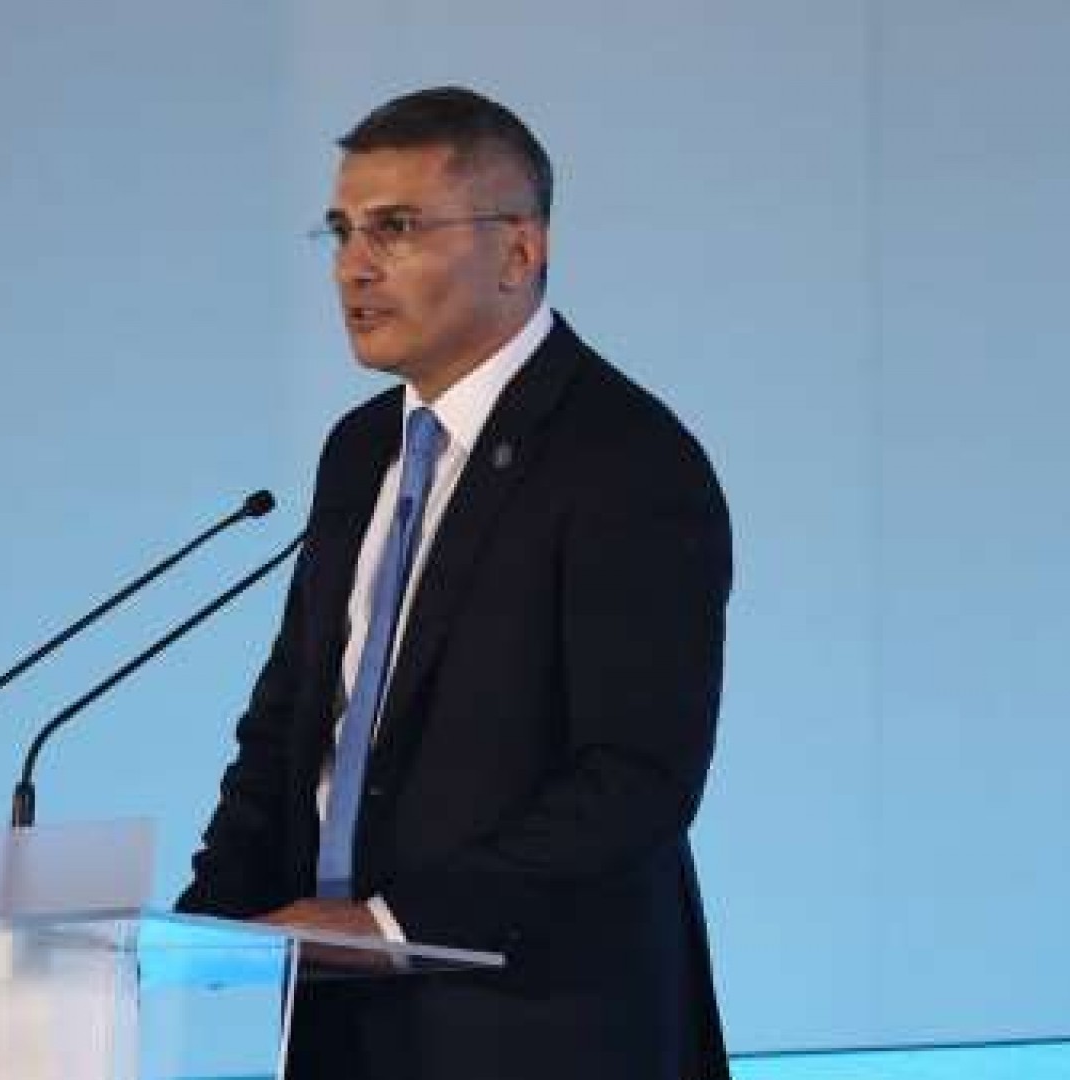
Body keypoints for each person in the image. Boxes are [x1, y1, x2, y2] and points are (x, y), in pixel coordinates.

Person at [177, 85, 734, 1080]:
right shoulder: (360, 453)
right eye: (341, 231)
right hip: (344, 1031)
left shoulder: (626, 458)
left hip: (541, 1034)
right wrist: (204, 927)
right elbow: (294, 727)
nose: (353, 265)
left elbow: (635, 779)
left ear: (518, 252)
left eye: (395, 228)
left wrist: (393, 923)